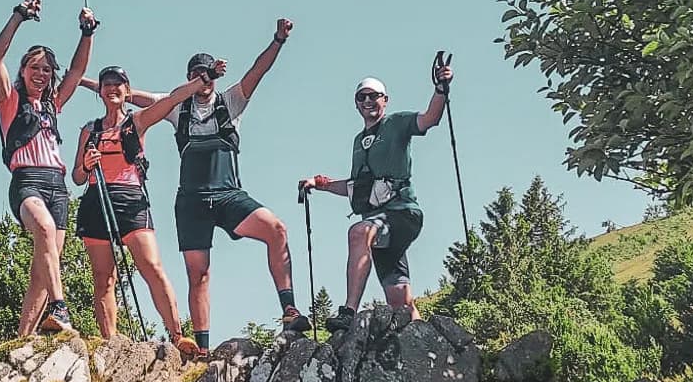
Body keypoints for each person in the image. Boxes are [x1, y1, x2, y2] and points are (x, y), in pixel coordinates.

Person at [110, 20, 302, 345]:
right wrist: (85, 83)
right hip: (192, 202)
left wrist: (278, 40)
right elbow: (134, 97)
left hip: (228, 195)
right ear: (189, 78)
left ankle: (290, 311)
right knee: (198, 274)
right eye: (197, 74)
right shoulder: (178, 107)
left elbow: (258, 71)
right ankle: (201, 349)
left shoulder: (231, 101)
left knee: (276, 229)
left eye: (206, 72)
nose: (203, 79)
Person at [70, 64, 212, 354]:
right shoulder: (89, 130)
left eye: (118, 84)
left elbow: (171, 101)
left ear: (127, 90)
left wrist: (201, 82)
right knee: (103, 277)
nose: (112, 88)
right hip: (96, 199)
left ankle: (177, 335)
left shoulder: (137, 121)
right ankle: (109, 341)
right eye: (106, 84)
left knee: (151, 266)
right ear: (100, 91)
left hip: (131, 199)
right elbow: (77, 177)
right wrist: (86, 164)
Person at [300, 58, 451, 325]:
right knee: (399, 300)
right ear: (356, 103)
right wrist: (319, 184)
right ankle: (426, 339)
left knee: (358, 232)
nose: (368, 101)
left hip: (402, 213)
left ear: (385, 99)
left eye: (374, 96)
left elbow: (431, 119)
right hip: (379, 223)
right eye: (362, 97)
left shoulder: (397, 123)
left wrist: (440, 88)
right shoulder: (359, 142)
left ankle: (348, 312)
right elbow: (357, 187)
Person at [0, 0, 97, 336]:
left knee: (43, 266)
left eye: (46, 69)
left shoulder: (52, 104)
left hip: (58, 185)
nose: (40, 73)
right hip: (27, 181)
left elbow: (78, 71)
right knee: (45, 231)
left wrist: (87, 33)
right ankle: (60, 308)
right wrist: (19, 16)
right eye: (34, 67)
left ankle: (23, 337)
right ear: (23, 71)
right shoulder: (11, 100)